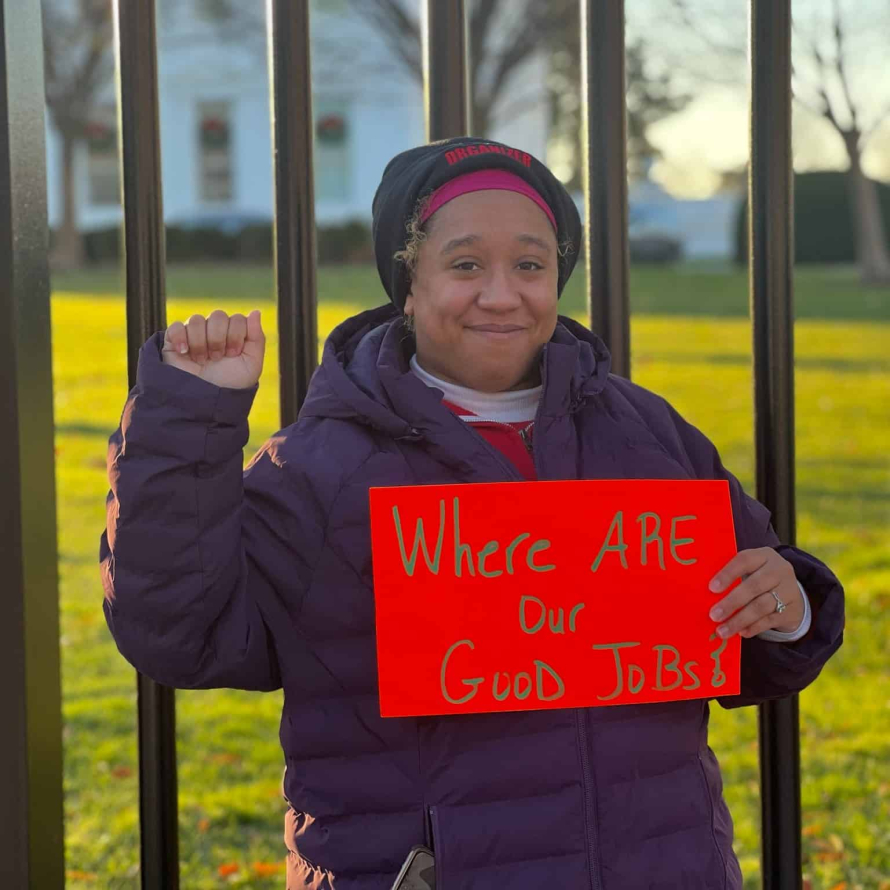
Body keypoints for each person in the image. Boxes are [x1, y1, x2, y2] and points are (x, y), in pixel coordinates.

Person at [100, 136, 844, 889]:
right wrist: (188, 418)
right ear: (409, 283)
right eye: (464, 264)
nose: (500, 294)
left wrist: (787, 609)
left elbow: (753, 630)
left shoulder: (645, 430)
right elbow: (185, 635)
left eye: (530, 264)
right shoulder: (322, 466)